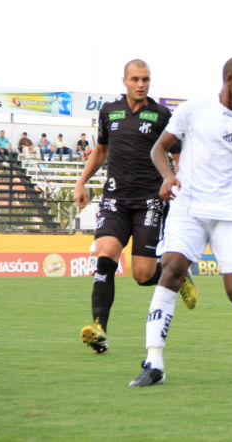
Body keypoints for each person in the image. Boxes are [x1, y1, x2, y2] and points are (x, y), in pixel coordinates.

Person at [129, 56, 232, 387]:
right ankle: (153, 361)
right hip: (189, 208)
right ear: (231, 79)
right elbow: (159, 149)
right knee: (171, 268)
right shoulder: (193, 110)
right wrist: (168, 176)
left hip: (231, 215)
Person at [75, 59, 189, 355]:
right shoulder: (109, 112)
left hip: (150, 201)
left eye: (146, 79)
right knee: (105, 258)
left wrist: (176, 181)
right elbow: (100, 151)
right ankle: (99, 330)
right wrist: (81, 182)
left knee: (141, 275)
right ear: (124, 81)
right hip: (114, 199)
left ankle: (176, 273)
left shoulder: (162, 114)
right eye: (136, 79)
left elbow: (179, 155)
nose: (141, 84)